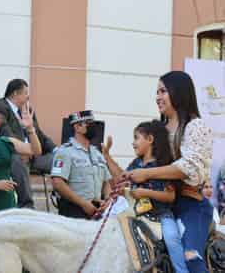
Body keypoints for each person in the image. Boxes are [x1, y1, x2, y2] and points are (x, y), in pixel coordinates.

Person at [120, 71, 213, 273]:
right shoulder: (159, 129)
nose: (158, 97)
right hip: (158, 204)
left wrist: (147, 175)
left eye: (163, 91)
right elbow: (145, 162)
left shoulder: (195, 126)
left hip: (191, 205)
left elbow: (189, 168)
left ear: (177, 92)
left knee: (190, 257)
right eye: (157, 92)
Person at [104, 120, 188, 273]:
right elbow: (121, 178)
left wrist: (145, 193)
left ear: (150, 139)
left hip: (161, 215)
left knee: (172, 238)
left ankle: (182, 271)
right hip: (136, 213)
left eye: (136, 138)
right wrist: (107, 156)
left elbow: (170, 196)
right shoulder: (136, 163)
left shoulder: (164, 165)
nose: (133, 143)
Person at [50, 110, 111, 219]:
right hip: (74, 210)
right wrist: (83, 203)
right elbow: (58, 183)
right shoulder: (65, 152)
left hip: (96, 210)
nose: (93, 126)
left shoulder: (97, 153)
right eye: (88, 123)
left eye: (93, 123)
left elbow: (106, 182)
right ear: (77, 127)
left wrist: (107, 200)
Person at [0, 78, 56, 174]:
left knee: (63, 161)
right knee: (19, 161)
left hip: (34, 155)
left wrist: (55, 149)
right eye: (25, 93)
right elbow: (5, 133)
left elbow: (39, 134)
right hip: (16, 155)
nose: (28, 96)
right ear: (15, 93)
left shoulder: (27, 109)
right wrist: (24, 149)